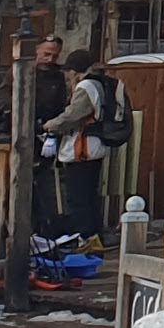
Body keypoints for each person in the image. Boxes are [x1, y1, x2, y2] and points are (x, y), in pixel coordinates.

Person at [51, 53, 111, 244]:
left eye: (69, 72)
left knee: (79, 198)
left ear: (74, 72)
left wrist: (50, 125)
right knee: (89, 197)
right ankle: (94, 237)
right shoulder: (98, 84)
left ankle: (84, 238)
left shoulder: (85, 87)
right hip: (93, 148)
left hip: (82, 150)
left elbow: (72, 115)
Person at [21, 34, 69, 238]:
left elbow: (62, 105)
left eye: (55, 56)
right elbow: (5, 99)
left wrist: (52, 130)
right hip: (23, 133)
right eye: (46, 54)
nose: (50, 59)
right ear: (37, 51)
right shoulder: (22, 71)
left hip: (47, 135)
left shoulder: (58, 77)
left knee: (45, 183)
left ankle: (46, 228)